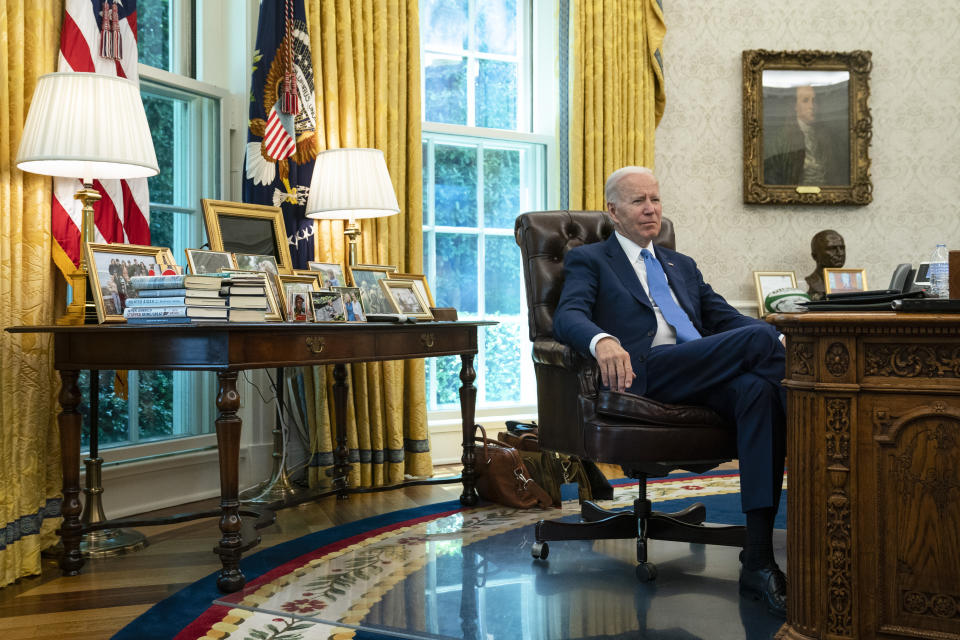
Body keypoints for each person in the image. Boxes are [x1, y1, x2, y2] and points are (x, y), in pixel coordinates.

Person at [552, 166, 787, 617]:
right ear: (613, 211)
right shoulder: (592, 259)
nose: (651, 209)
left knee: (758, 389)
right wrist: (602, 341)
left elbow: (727, 321)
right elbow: (568, 316)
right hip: (647, 372)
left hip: (699, 370)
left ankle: (757, 558)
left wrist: (782, 340)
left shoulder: (682, 265)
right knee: (762, 341)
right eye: (638, 201)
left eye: (655, 199)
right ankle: (821, 427)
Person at [764, 84, 848, 186]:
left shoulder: (829, 137)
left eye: (814, 100)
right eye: (805, 101)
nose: (812, 106)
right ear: (795, 106)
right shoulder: (780, 141)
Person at [804, 229, 845, 300]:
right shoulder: (810, 283)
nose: (840, 253)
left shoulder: (850, 282)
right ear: (815, 256)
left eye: (842, 248)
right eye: (832, 249)